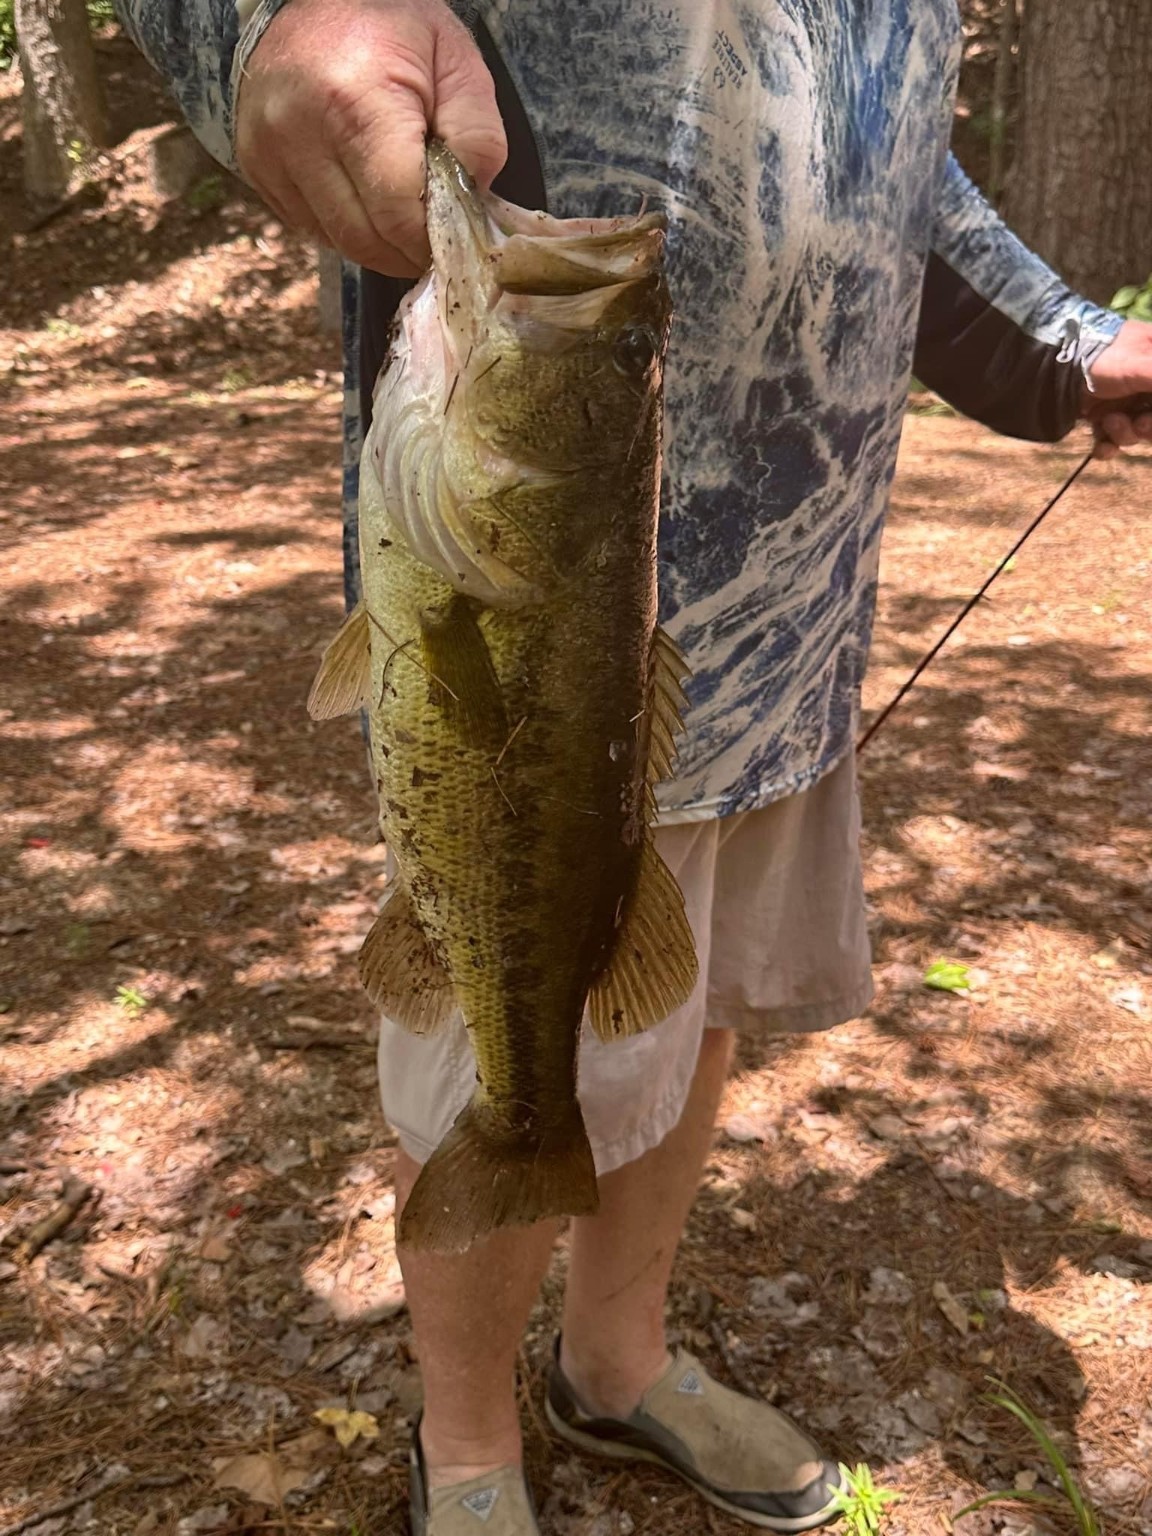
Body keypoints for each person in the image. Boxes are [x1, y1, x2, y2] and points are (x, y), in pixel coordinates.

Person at [117, 3, 1152, 1533]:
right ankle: (466, 1448)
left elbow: (888, 147)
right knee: (513, 1028)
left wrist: (1062, 345)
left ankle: (614, 1363)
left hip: (803, 593)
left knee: (699, 995)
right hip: (543, 617)